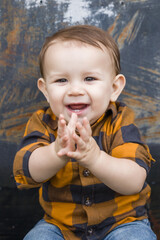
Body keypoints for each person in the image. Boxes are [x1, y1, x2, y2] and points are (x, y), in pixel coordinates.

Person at [13, 25, 157, 240]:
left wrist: (95, 158)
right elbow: (26, 172)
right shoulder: (43, 123)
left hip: (122, 222)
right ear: (45, 89)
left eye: (89, 79)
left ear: (114, 88)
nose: (75, 90)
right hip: (61, 226)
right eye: (61, 80)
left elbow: (134, 180)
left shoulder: (119, 121)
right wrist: (56, 151)